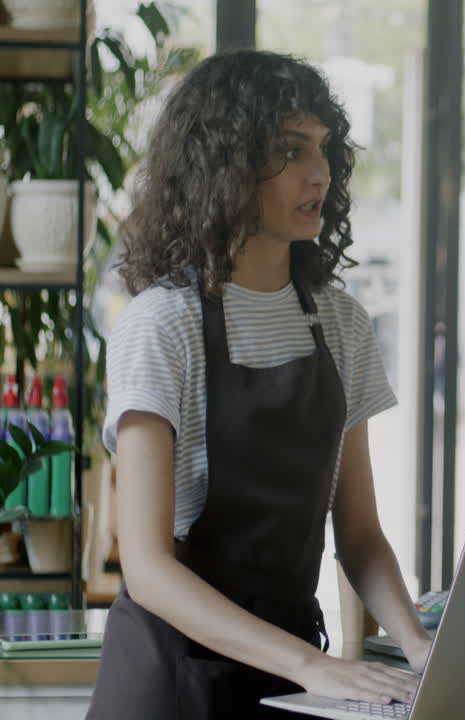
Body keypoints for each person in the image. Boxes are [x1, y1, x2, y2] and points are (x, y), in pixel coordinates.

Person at [87, 50, 431, 718]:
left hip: (292, 685)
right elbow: (149, 568)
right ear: (225, 163)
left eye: (324, 149)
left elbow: (359, 535)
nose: (320, 172)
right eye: (290, 149)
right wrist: (311, 665)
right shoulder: (163, 324)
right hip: (171, 683)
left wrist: (419, 646)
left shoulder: (340, 321)